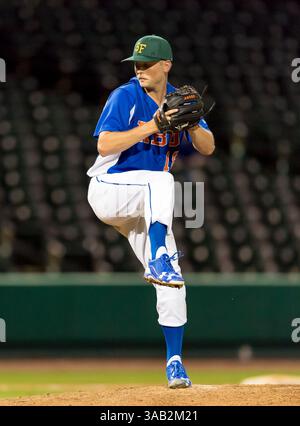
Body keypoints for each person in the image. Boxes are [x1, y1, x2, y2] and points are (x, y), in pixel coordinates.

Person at [87, 35, 215, 388]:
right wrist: (153, 126)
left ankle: (175, 362)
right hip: (109, 190)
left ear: (166, 65)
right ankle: (158, 253)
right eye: (136, 64)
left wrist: (191, 123)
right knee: (161, 182)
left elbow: (208, 147)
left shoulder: (179, 100)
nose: (139, 69)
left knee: (172, 280)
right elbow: (104, 143)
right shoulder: (125, 95)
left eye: (146, 63)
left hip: (145, 207)